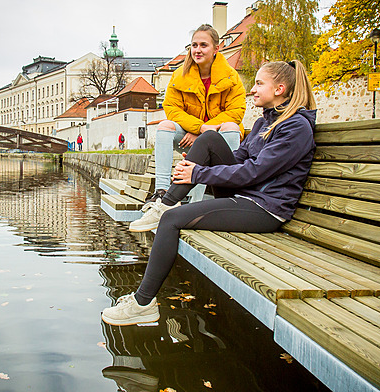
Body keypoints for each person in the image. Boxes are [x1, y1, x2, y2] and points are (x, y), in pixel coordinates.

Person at [101, 59, 317, 326]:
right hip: (245, 194)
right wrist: (197, 163)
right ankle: (166, 202)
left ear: (280, 89)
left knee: (171, 221)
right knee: (208, 139)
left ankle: (143, 304)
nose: (253, 90)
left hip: (265, 208)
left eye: (260, 83)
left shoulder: (295, 127)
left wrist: (198, 173)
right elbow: (240, 158)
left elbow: (256, 172)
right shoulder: (265, 123)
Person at [129, 24, 246, 232]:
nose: (197, 50)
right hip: (190, 134)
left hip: (219, 138)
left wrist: (205, 131)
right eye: (194, 45)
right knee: (165, 126)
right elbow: (172, 109)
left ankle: (227, 194)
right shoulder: (179, 76)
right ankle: (163, 193)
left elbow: (237, 110)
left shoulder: (230, 76)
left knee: (232, 126)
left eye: (204, 45)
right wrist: (198, 129)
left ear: (216, 49)